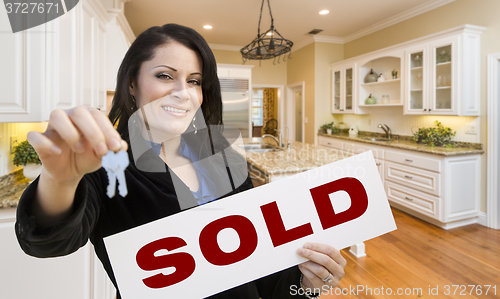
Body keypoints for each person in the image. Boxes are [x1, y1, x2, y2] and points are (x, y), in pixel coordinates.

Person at [15, 23, 346, 299]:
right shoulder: (103, 164)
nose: (183, 92)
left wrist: (305, 284)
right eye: (164, 75)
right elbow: (47, 241)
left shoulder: (223, 157)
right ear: (132, 84)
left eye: (194, 81)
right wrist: (60, 179)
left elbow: (259, 266)